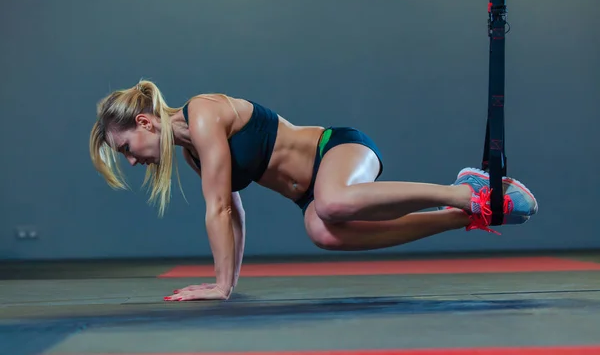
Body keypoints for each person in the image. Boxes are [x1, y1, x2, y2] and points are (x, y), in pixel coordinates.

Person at [89, 80, 538, 302]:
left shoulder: (203, 113)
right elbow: (235, 212)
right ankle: (468, 215)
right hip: (315, 193)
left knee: (334, 201)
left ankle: (464, 190)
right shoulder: (192, 154)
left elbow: (219, 207)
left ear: (145, 123)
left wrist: (221, 287)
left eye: (127, 148)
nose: (133, 160)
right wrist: (228, 283)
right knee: (322, 230)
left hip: (338, 148)